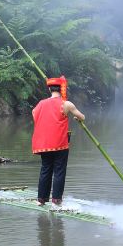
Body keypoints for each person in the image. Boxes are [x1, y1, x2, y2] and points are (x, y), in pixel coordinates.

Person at [32, 77, 85, 206]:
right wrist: (76, 118)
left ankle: (41, 199)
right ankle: (56, 201)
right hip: (60, 144)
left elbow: (34, 113)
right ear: (62, 89)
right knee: (59, 171)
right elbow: (82, 117)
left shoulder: (41, 103)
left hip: (45, 145)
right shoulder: (66, 104)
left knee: (45, 170)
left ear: (49, 89)